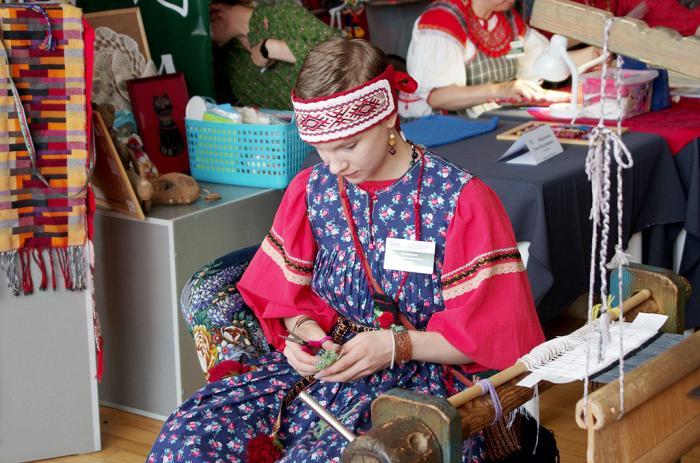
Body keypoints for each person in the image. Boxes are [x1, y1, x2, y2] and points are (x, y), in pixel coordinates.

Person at [147, 37, 545, 462]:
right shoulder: (311, 190)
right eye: (321, 148)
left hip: (420, 383)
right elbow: (285, 301)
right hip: (324, 373)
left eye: (348, 146)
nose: (334, 165)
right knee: (184, 439)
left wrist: (397, 347)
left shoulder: (460, 202)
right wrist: (303, 336)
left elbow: (492, 336)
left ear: (388, 117)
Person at [400, 0, 599, 117]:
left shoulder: (508, 19)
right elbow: (438, 98)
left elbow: (544, 61)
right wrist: (499, 89)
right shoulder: (441, 21)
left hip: (488, 121)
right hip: (441, 136)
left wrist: (595, 55)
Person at [210, 0, 338, 110]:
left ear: (213, 9)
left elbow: (341, 54)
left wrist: (270, 48)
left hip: (342, 121)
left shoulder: (279, 13)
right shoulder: (229, 61)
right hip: (297, 135)